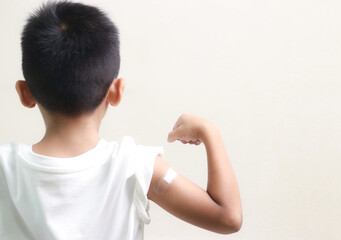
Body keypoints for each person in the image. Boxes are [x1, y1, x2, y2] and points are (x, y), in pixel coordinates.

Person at [0, 1, 242, 239]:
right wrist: (210, 132)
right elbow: (228, 218)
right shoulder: (134, 166)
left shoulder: (5, 168)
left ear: (25, 92)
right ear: (116, 91)